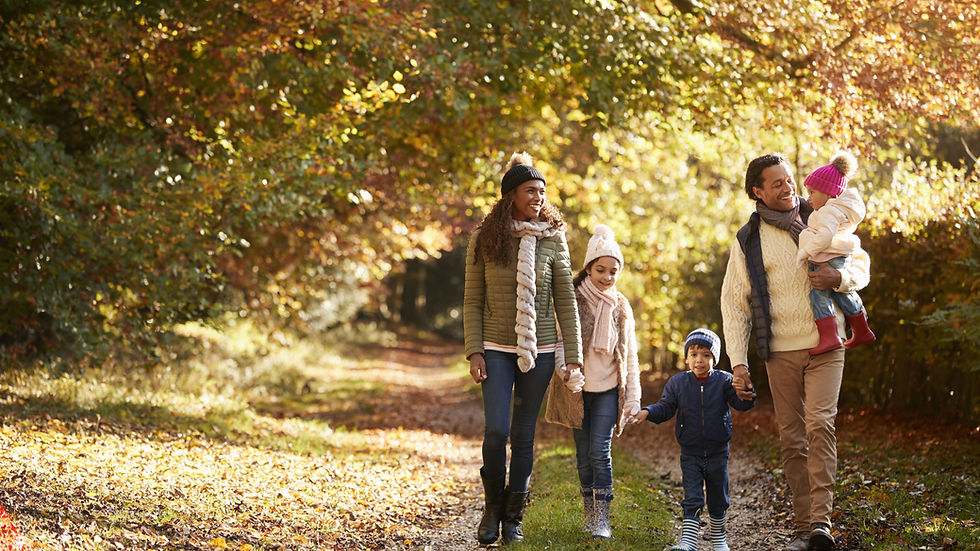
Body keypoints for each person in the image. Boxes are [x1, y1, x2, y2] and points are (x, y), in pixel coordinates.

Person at [720, 152, 871, 551]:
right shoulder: (748, 239)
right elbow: (734, 303)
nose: (788, 187)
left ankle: (821, 524)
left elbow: (860, 262)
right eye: (777, 183)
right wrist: (739, 363)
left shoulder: (822, 214)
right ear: (758, 191)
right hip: (780, 351)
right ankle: (804, 528)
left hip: (827, 344)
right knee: (792, 439)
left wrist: (840, 277)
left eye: (790, 179)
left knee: (819, 424)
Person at [463, 151, 583, 546]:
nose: (538, 197)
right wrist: (475, 351)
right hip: (495, 347)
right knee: (497, 430)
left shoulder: (553, 238)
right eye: (530, 190)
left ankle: (513, 519)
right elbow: (472, 299)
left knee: (524, 434)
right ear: (511, 195)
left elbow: (565, 299)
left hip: (540, 350)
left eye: (542, 191)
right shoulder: (484, 238)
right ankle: (491, 509)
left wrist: (574, 356)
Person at [543, 224, 641, 540]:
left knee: (600, 452)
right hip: (578, 391)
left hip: (608, 391)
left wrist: (633, 398)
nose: (607, 277)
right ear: (588, 268)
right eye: (601, 270)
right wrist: (566, 372)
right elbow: (560, 342)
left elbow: (630, 356)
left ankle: (602, 521)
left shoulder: (621, 307)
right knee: (583, 456)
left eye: (613, 271)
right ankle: (589, 514)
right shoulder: (573, 300)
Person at [632, 329, 755, 551]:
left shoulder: (725, 381)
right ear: (687, 357)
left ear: (714, 359)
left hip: (718, 452)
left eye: (706, 355)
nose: (699, 360)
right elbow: (666, 407)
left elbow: (741, 403)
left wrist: (747, 391)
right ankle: (689, 541)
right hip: (690, 453)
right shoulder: (678, 383)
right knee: (693, 496)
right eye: (694, 354)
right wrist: (648, 411)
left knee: (718, 497)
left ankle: (719, 539)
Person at [796, 151, 876, 354]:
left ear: (829, 192)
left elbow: (825, 236)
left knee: (818, 295)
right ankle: (861, 329)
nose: (809, 198)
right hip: (836, 256)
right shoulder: (835, 210)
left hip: (828, 256)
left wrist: (805, 251)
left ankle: (830, 337)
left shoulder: (828, 211)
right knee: (843, 295)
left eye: (813, 192)